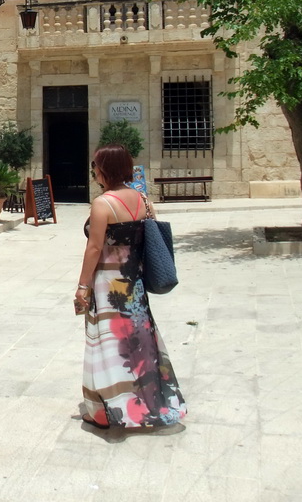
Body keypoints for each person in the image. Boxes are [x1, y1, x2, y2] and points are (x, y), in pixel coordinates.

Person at [73, 143, 187, 429]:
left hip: (108, 285)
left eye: (95, 167)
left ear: (103, 170)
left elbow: (95, 247)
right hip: (133, 284)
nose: (93, 172)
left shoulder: (102, 204)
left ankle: (103, 410)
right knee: (139, 343)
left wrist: (82, 286)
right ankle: (149, 403)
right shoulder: (144, 201)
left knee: (106, 344)